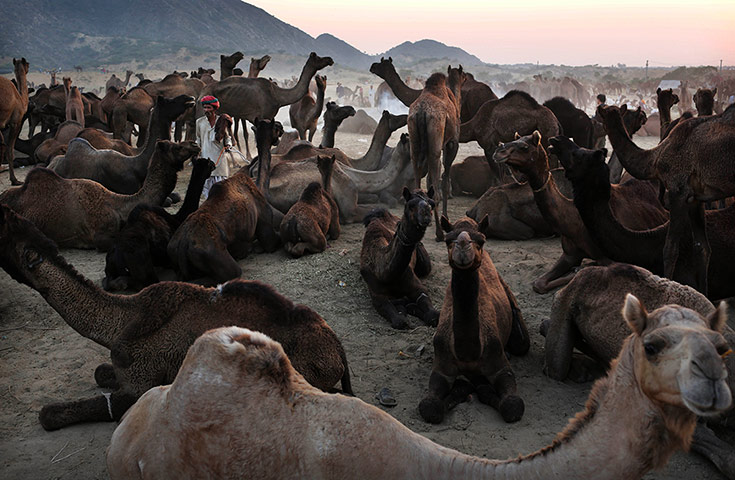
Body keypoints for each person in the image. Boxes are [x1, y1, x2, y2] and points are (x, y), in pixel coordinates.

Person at [196, 95, 232, 199]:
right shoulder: (199, 122)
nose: (206, 110)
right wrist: (196, 152)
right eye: (205, 107)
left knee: (222, 192)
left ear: (214, 108)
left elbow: (227, 137)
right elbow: (198, 139)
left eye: (209, 108)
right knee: (207, 192)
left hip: (219, 161)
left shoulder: (221, 121)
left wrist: (228, 145)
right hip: (205, 159)